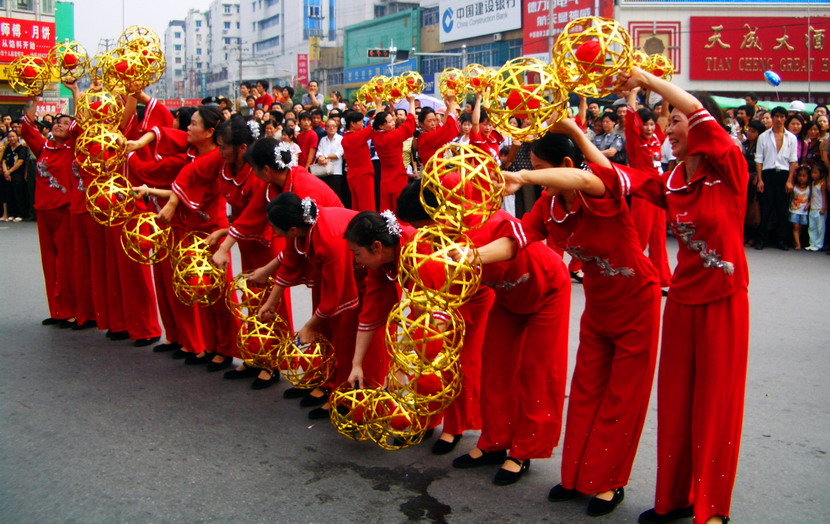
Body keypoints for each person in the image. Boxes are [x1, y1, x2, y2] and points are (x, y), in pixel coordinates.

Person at [502, 117, 660, 516]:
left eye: (540, 170)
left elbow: (590, 178)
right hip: (598, 308)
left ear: (566, 164)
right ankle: (576, 476)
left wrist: (566, 135)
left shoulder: (597, 191)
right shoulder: (550, 204)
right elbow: (516, 240)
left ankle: (609, 482)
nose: (537, 179)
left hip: (637, 303)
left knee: (623, 397)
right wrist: (464, 257)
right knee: (586, 389)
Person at [620, 67, 750, 524]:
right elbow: (614, 177)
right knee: (675, 403)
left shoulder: (731, 170)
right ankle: (673, 499)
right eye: (664, 119)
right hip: (680, 303)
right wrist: (573, 133)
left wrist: (642, 77)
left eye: (672, 119)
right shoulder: (671, 182)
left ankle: (712, 509)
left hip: (724, 302)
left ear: (699, 127)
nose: (666, 128)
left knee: (715, 406)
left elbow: (694, 107)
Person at [257, 193, 360, 419]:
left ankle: (345, 397)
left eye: (276, 228)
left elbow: (335, 296)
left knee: (345, 338)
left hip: (364, 274)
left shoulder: (330, 238)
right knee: (330, 333)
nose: (274, 233)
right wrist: (271, 300)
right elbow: (291, 260)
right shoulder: (303, 222)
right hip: (346, 269)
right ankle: (330, 384)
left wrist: (309, 326)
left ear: (293, 229)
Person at [21, 99, 76, 326]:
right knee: (49, 263)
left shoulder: (73, 148)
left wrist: (76, 92)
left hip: (64, 210)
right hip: (43, 211)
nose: (59, 125)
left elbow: (82, 127)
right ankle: (57, 311)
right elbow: (27, 128)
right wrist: (33, 98)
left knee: (66, 263)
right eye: (56, 122)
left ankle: (72, 310)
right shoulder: (43, 147)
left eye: (65, 123)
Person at [624, 87, 672, 289]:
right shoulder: (635, 141)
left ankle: (661, 279)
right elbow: (630, 118)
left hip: (658, 192)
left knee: (659, 238)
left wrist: (664, 91)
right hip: (643, 193)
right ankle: (630, 275)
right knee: (640, 237)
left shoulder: (656, 138)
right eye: (646, 125)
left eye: (652, 124)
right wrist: (633, 93)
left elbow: (665, 115)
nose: (650, 128)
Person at [755, 106, 799, 250]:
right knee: (765, 209)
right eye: (776, 116)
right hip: (767, 174)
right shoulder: (763, 136)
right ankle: (762, 239)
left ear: (785, 118)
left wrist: (789, 180)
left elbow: (793, 161)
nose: (779, 119)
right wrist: (760, 179)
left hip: (784, 175)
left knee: (782, 209)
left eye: (782, 116)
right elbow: (759, 160)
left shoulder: (791, 137)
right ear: (772, 118)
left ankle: (781, 240)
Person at [371, 93, 416, 211]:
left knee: (387, 210)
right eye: (390, 122)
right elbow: (410, 124)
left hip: (385, 178)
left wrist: (380, 104)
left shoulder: (376, 135)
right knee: (399, 208)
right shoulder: (392, 136)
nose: (393, 122)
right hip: (398, 176)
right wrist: (411, 102)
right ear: (382, 125)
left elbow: (376, 118)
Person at [342, 109, 376, 212]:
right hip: (363, 174)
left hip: (354, 175)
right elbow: (373, 126)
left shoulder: (346, 138)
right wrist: (378, 106)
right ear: (352, 123)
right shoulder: (355, 137)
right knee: (367, 204)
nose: (362, 124)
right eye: (361, 122)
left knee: (357, 204)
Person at [416, 90, 460, 166]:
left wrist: (449, 108)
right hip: (433, 174)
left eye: (434, 120)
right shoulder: (426, 137)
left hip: (438, 171)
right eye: (429, 121)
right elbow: (445, 129)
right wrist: (452, 102)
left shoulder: (431, 133)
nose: (433, 123)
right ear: (421, 124)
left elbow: (442, 123)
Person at [314, 118, 348, 207]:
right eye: (328, 126)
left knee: (336, 194)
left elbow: (338, 154)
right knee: (323, 194)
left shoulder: (340, 139)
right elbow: (318, 152)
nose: (331, 128)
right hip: (323, 171)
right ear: (325, 128)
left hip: (336, 172)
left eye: (333, 126)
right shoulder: (323, 139)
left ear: (337, 128)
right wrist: (321, 157)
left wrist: (325, 157)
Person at [788, 165, 811, 250]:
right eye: (800, 175)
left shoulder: (809, 188)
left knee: (800, 227)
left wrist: (808, 204)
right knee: (795, 227)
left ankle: (796, 240)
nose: (801, 178)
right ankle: (798, 243)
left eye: (804, 176)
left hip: (803, 211)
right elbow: (790, 198)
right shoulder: (794, 187)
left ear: (808, 177)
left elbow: (811, 198)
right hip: (794, 210)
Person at [806, 164, 827, 251]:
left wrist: (823, 208)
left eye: (815, 173)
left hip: (819, 209)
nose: (813, 175)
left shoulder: (822, 184)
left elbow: (823, 196)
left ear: (821, 174)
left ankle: (819, 244)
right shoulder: (813, 183)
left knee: (820, 227)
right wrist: (809, 204)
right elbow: (812, 195)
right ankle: (812, 243)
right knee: (812, 227)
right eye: (812, 173)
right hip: (813, 208)